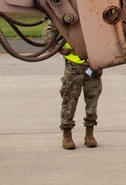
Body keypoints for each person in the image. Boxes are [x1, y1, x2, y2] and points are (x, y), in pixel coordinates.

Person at [43, 22, 103, 150]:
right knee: (70, 100)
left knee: (92, 99)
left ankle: (89, 134)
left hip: (93, 65)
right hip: (74, 65)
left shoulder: (94, 13)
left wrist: (102, 63)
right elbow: (48, 31)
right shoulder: (70, 13)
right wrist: (59, 49)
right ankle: (67, 134)